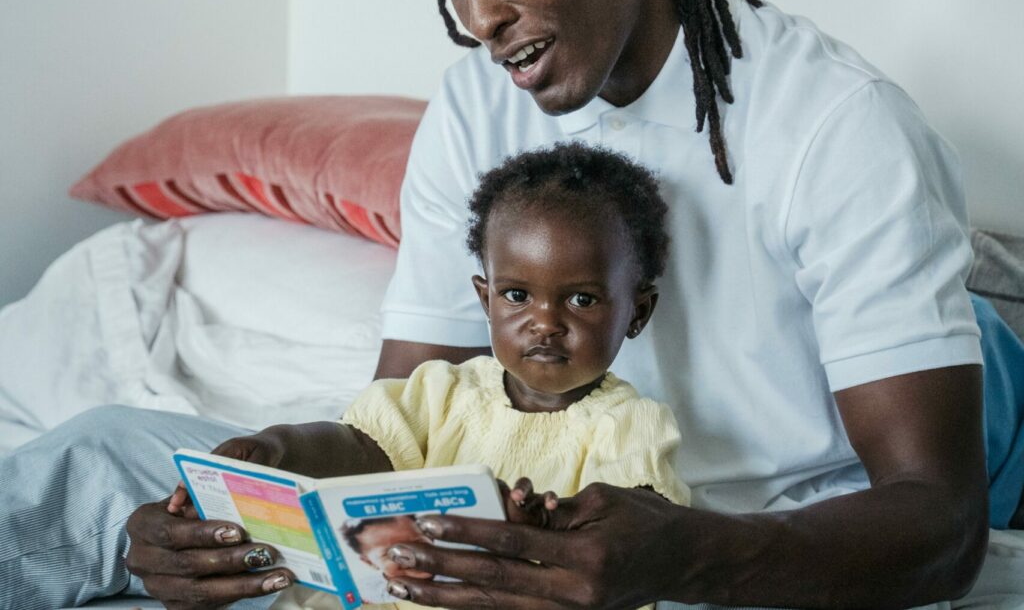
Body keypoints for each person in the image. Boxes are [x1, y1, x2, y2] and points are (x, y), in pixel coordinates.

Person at [1, 0, 1022, 608]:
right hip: (550, 502)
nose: (480, 16)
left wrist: (681, 555)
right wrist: (255, 490)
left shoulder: (837, 127)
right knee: (104, 461)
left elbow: (938, 527)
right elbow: (404, 426)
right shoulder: (474, 110)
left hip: (757, 514)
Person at [196, 142, 687, 610]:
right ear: (484, 299)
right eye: (517, 295)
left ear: (637, 313)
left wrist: (542, 525)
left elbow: (632, 538)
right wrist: (279, 447)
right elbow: (358, 448)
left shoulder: (630, 423)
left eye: (582, 299)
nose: (544, 323)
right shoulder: (442, 391)